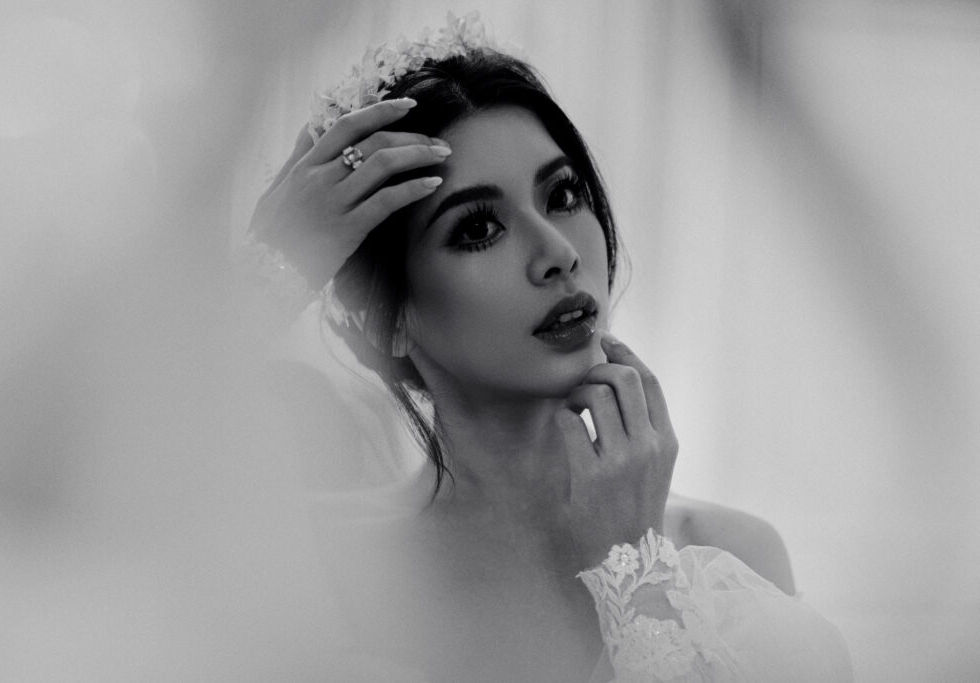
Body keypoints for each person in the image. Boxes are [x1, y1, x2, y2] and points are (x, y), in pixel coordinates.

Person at [246, 13, 853, 682]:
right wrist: (267, 275)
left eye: (563, 194)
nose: (559, 253)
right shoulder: (313, 563)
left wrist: (637, 572)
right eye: (479, 228)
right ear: (387, 320)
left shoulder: (731, 555)